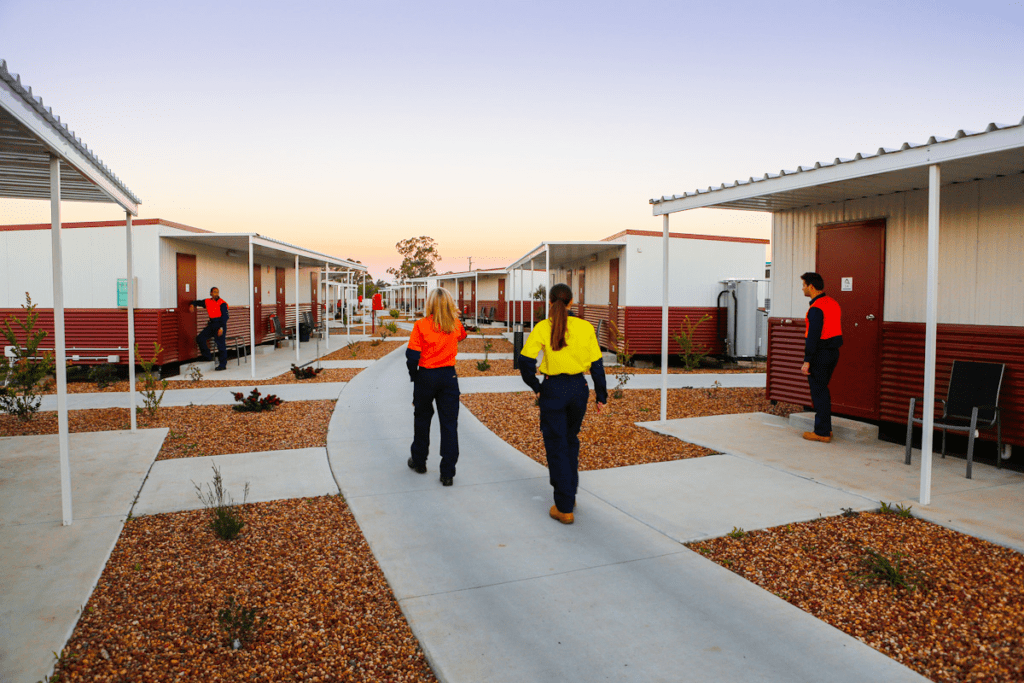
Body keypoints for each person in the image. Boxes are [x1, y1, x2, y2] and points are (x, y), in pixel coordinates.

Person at [518, 283, 606, 525]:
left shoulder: (543, 328)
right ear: (572, 302)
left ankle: (564, 507)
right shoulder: (585, 327)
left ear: (549, 302)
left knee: (556, 445)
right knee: (570, 440)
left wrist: (536, 387)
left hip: (554, 389)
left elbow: (524, 361)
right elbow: (597, 364)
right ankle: (570, 492)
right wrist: (601, 396)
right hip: (579, 389)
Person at [406, 288, 468, 486]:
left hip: (426, 375)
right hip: (448, 376)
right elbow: (462, 336)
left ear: (430, 303)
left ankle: (419, 460)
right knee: (449, 423)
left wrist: (414, 376)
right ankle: (448, 472)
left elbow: (412, 356)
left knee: (422, 418)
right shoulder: (455, 324)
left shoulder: (421, 325)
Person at [800, 272, 843, 443]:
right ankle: (827, 429)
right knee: (823, 391)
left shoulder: (816, 308)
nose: (802, 288)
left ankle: (822, 432)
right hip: (833, 352)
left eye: (803, 285)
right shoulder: (832, 303)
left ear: (811, 286)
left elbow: (813, 336)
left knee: (818, 393)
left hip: (820, 354)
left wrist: (807, 360)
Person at [189, 287, 229, 371]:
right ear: (211, 293)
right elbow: (197, 302)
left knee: (220, 345)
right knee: (200, 338)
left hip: (220, 325)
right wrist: (192, 305)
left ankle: (222, 364)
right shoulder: (207, 301)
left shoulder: (222, 303)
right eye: (214, 292)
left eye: (217, 292)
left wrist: (221, 328)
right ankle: (207, 357)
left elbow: (225, 317)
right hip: (212, 324)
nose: (216, 294)